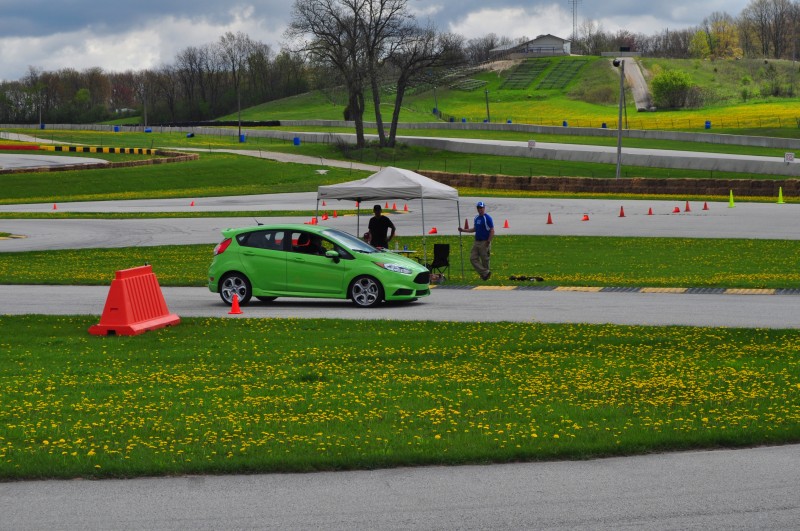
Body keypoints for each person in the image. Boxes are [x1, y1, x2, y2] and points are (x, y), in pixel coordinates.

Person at [458, 200, 495, 280]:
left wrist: (488, 241)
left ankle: (485, 276)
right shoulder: (476, 218)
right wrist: (463, 230)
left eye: (481, 208)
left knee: (485, 260)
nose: (480, 209)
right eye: (478, 208)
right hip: (477, 241)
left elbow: (492, 230)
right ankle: (486, 272)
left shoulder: (487, 218)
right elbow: (475, 229)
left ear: (484, 208)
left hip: (484, 241)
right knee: (473, 258)